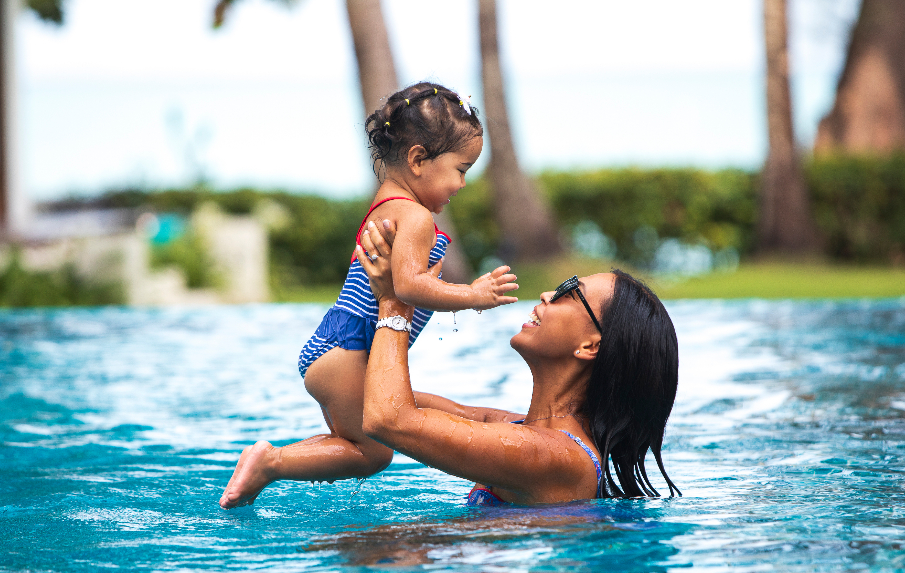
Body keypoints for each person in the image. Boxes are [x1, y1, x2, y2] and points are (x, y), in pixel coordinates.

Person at [219, 83, 518, 509]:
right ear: (418, 159)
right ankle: (270, 463)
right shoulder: (414, 217)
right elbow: (408, 287)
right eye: (461, 169)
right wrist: (470, 294)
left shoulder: (386, 202)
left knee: (362, 435)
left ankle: (266, 463)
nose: (463, 183)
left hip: (338, 344)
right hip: (350, 350)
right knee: (374, 452)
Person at [353, 220, 681, 505]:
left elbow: (388, 419)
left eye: (569, 291)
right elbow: (367, 402)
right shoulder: (521, 430)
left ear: (590, 345)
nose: (547, 295)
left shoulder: (554, 457)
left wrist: (394, 306)